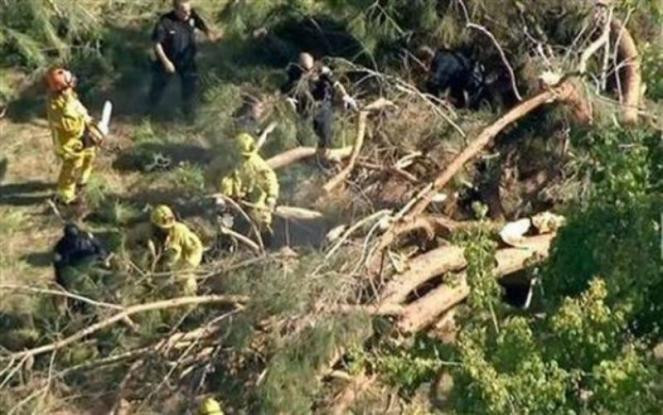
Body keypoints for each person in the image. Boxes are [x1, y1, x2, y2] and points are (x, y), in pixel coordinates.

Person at [147, 0, 218, 121]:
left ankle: (189, 116)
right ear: (176, 10)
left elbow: (201, 25)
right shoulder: (165, 22)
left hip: (186, 60)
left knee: (190, 88)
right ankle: (148, 112)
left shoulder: (191, 15)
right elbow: (156, 44)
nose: (188, 14)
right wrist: (166, 62)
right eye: (184, 11)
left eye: (189, 10)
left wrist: (209, 34)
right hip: (167, 60)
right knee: (158, 86)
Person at [45, 67, 104, 205]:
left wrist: (91, 124)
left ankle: (82, 180)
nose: (73, 84)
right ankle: (65, 196)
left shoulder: (69, 94)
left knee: (90, 154)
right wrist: (68, 103)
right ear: (61, 87)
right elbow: (68, 126)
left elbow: (79, 109)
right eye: (70, 82)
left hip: (82, 135)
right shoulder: (55, 104)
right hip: (68, 144)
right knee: (71, 168)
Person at [281, 52, 357, 152]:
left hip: (322, 104)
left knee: (324, 133)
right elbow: (284, 90)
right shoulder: (294, 73)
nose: (307, 72)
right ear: (299, 66)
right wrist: (287, 100)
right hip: (304, 106)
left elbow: (336, 84)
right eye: (304, 69)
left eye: (309, 69)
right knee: (303, 133)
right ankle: (302, 154)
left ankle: (325, 154)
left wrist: (345, 95)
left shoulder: (322, 71)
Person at [130, 205, 203, 296]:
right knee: (138, 289)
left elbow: (196, 248)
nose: (166, 229)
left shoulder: (180, 231)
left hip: (177, 271)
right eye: (162, 227)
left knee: (189, 286)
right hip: (152, 272)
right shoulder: (143, 231)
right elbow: (128, 245)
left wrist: (190, 264)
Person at [218, 133, 279, 231]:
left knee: (263, 221)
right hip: (231, 199)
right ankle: (227, 237)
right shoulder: (225, 161)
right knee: (225, 221)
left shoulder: (256, 163)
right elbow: (210, 175)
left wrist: (272, 197)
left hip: (253, 199)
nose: (244, 159)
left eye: (246, 156)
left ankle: (263, 239)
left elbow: (270, 179)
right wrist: (217, 196)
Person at [53, 223, 109, 289]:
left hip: (91, 262)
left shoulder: (86, 238)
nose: (73, 239)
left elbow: (99, 247)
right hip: (77, 269)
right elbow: (58, 265)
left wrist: (103, 257)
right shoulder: (61, 246)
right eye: (70, 237)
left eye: (74, 236)